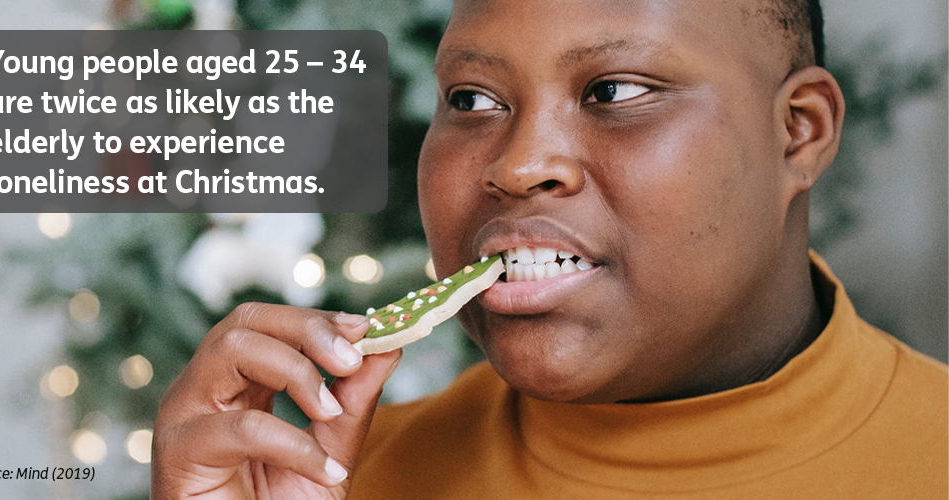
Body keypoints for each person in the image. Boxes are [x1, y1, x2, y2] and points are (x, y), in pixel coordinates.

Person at [151, 0, 949, 498]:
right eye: (472, 99)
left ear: (797, 131)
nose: (519, 163)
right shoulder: (337, 481)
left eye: (616, 91)